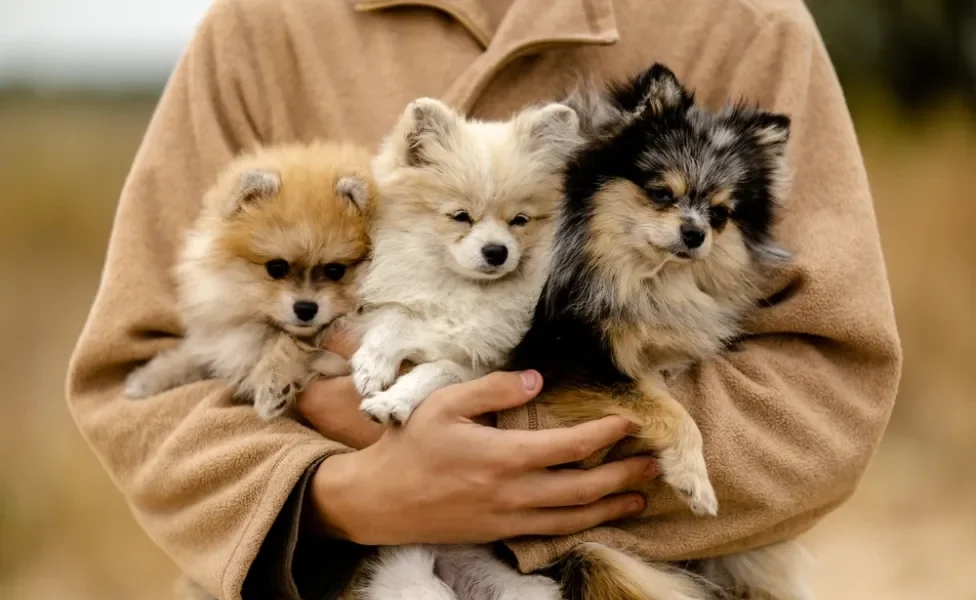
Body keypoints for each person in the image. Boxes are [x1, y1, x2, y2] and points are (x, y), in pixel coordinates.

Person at [65, 0, 902, 599]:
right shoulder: (259, 29)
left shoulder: (747, 24)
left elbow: (830, 383)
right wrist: (329, 495)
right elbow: (132, 380)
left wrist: (526, 441)